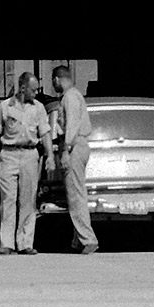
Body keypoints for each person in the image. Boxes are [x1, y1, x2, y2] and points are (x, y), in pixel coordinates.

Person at [0, 72, 52, 254]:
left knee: (28, 200)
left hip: (30, 155)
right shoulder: (5, 106)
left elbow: (45, 133)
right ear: (22, 88)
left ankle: (25, 243)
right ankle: (6, 243)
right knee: (8, 199)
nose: (36, 93)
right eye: (33, 89)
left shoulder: (38, 108)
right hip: (9, 154)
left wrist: (50, 156)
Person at [50, 64, 98, 255]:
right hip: (81, 145)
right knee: (78, 193)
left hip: (74, 146)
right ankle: (77, 241)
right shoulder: (76, 95)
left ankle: (88, 239)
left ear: (56, 80)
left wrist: (65, 150)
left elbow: (71, 125)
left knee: (75, 196)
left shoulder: (69, 97)